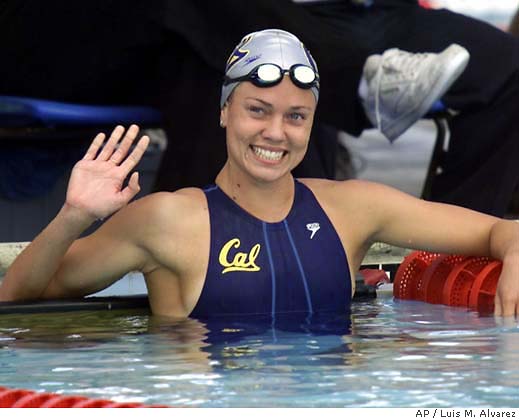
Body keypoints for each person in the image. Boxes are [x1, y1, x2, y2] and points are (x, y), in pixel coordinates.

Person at [1, 29, 518, 319]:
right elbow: (16, 302)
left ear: (312, 124)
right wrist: (74, 217)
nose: (276, 132)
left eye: (295, 116)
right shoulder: (165, 220)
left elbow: (502, 230)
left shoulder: (354, 208)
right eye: (257, 110)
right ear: (224, 111)